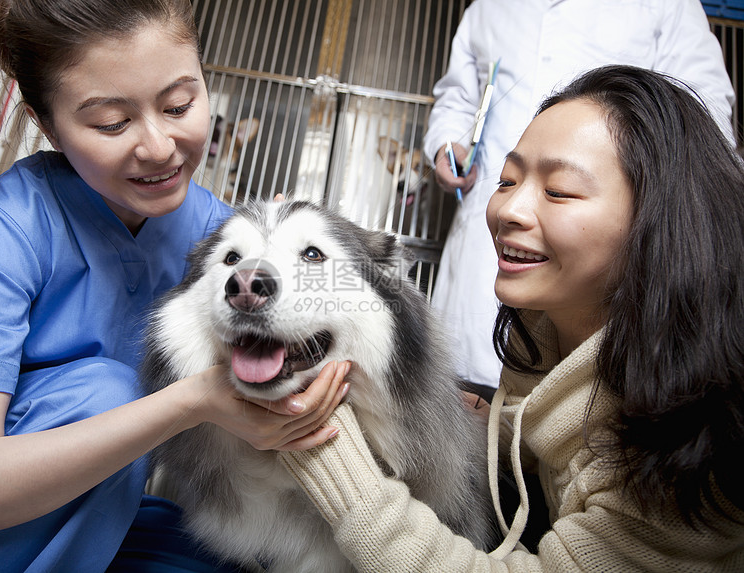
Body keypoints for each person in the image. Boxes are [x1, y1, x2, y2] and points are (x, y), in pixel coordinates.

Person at [0, 1, 348, 571]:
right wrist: (194, 401)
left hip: (100, 493)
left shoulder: (215, 231)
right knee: (108, 390)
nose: (158, 147)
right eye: (111, 122)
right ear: (46, 123)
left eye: (180, 104)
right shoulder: (6, 229)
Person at [280, 65, 744, 571]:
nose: (509, 210)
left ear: (661, 224)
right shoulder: (545, 334)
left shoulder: (696, 436)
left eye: (560, 190)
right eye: (507, 180)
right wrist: (501, 434)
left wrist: (325, 448)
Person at [424, 0, 736, 391]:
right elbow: (457, 99)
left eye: (559, 188)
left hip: (607, 264)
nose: (517, 209)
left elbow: (703, 114)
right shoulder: (489, 7)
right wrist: (448, 145)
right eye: (509, 180)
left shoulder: (666, 5)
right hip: (480, 246)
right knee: (467, 394)